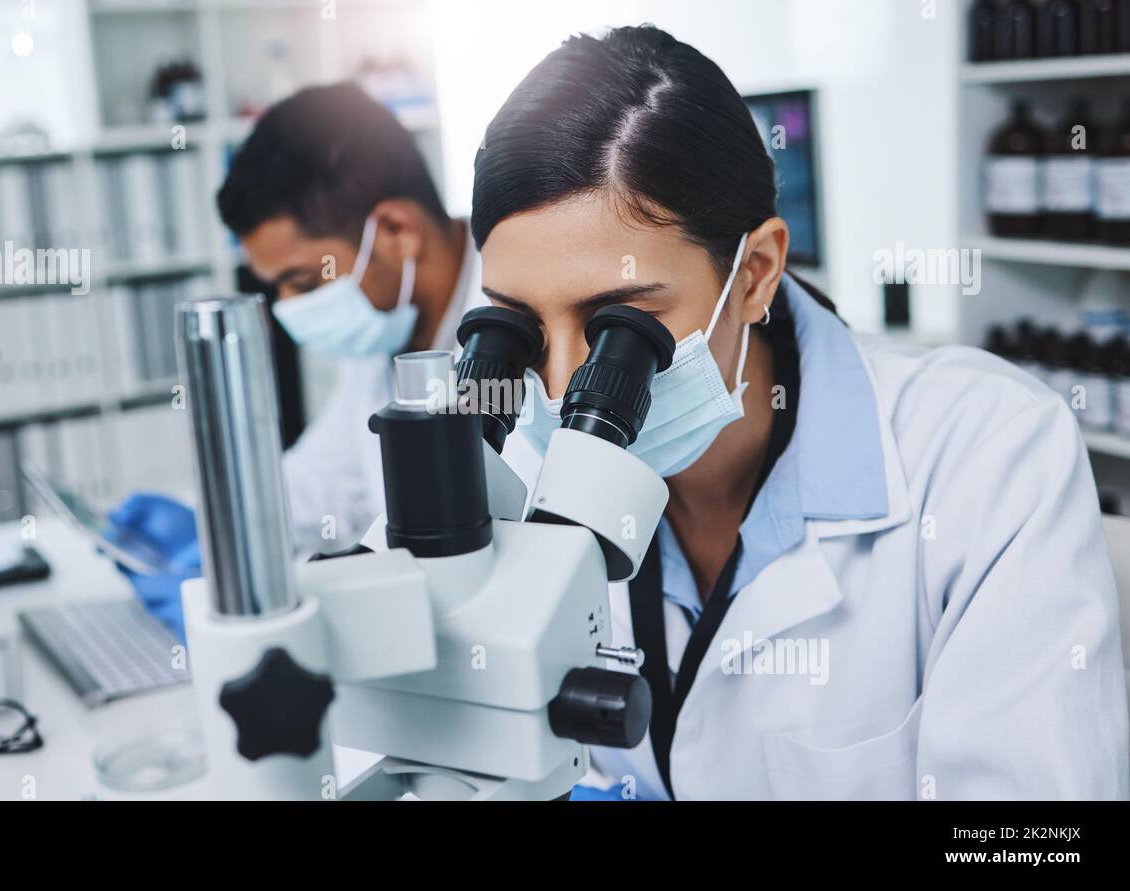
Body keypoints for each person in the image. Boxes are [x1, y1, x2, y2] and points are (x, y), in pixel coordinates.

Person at [471, 26, 1128, 799]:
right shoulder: (514, 475)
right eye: (521, 328)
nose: (557, 390)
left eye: (618, 328)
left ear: (754, 273)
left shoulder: (987, 454)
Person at [109, 82, 486, 641]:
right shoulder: (391, 327)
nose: (287, 308)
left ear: (395, 231)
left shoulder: (523, 326)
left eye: (304, 280)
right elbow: (326, 483)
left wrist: (292, 600)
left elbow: (481, 570)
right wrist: (217, 520)